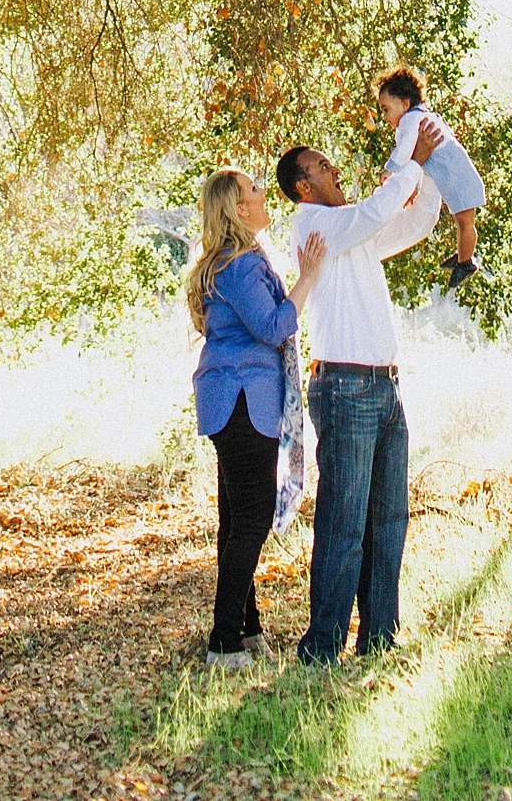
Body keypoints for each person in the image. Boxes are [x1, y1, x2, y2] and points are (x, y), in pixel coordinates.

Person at [274, 119, 443, 666]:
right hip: (345, 387)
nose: (335, 168)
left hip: (384, 386)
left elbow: (413, 220)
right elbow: (375, 211)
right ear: (303, 186)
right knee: (344, 522)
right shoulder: (313, 226)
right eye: (323, 165)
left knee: (389, 518)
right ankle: (321, 648)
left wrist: (435, 165)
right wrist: (407, 163)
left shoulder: (353, 229)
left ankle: (379, 636)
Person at [186, 166, 327, 669]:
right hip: (245, 401)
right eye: (253, 189)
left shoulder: (233, 262)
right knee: (250, 518)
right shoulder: (241, 265)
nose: (264, 193)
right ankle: (223, 642)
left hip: (232, 402)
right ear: (238, 209)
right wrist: (306, 280)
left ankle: (244, 630)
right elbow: (272, 328)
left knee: (236, 518)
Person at [375, 64, 488, 289]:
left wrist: (391, 168)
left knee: (465, 221)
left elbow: (407, 150)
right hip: (452, 171)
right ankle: (462, 254)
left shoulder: (410, 121)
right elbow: (421, 161)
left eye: (386, 109)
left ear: (404, 104)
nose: (385, 116)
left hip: (456, 172)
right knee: (462, 220)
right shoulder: (420, 117)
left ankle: (466, 262)